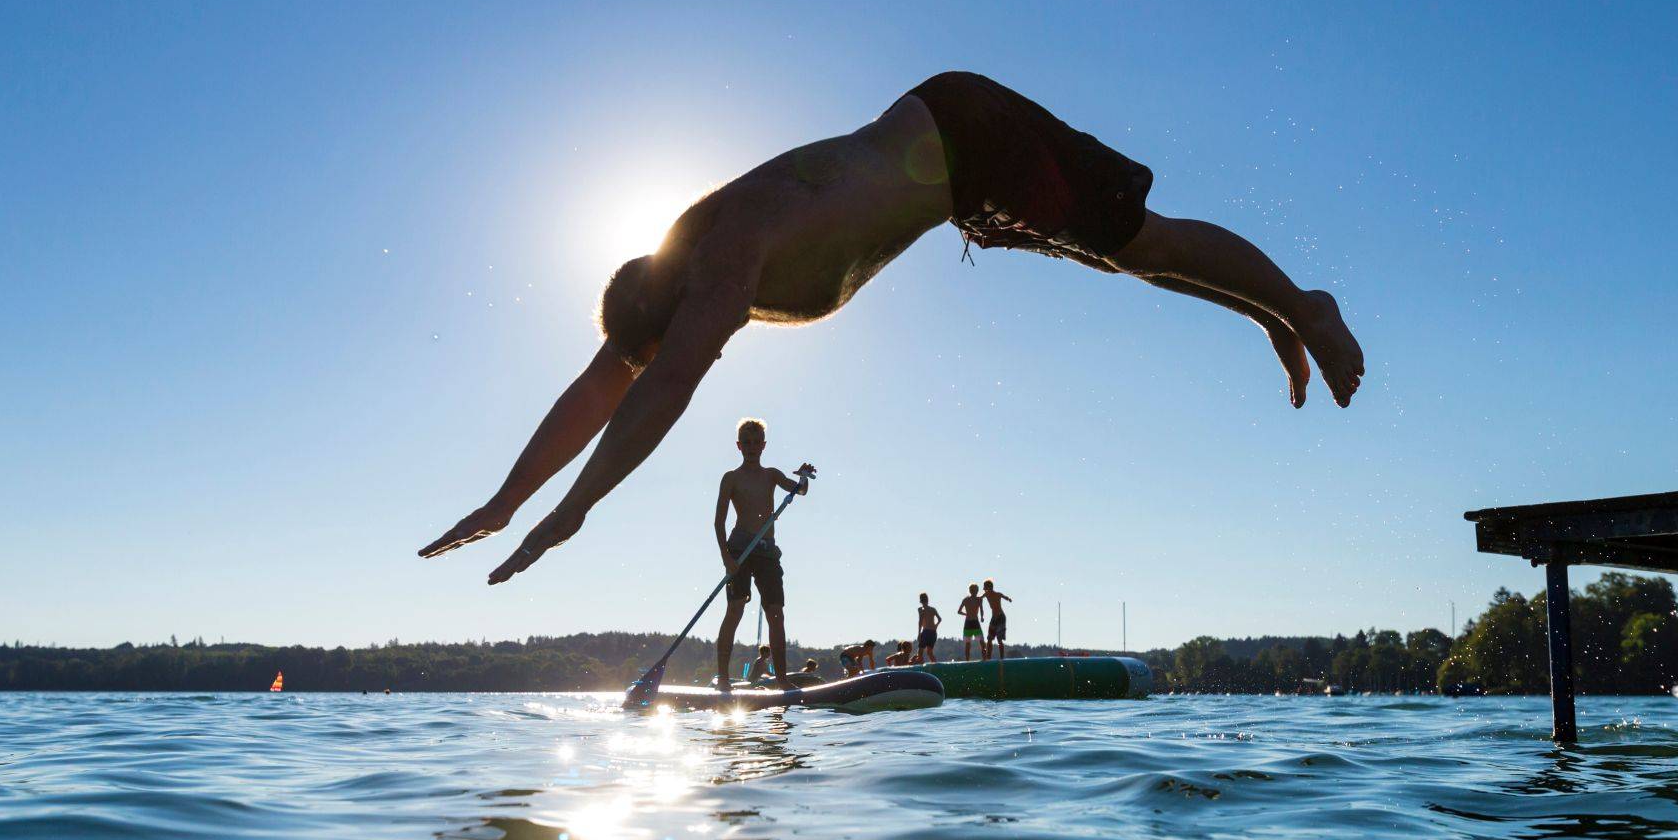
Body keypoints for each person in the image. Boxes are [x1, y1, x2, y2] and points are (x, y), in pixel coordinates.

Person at [419, 72, 1364, 581]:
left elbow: (660, 388)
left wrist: (574, 510)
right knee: (1135, 257)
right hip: (957, 176)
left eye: (664, 348)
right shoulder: (675, 278)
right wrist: (509, 500)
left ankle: (1300, 305)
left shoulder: (715, 261)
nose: (673, 358)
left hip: (965, 141)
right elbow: (607, 385)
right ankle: (1275, 312)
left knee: (1142, 244)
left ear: (666, 313)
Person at [709, 419, 813, 690]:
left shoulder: (771, 475)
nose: (752, 447)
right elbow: (718, 522)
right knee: (735, 609)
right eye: (747, 442)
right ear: (739, 445)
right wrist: (726, 558)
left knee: (776, 613)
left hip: (766, 552)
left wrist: (803, 477)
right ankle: (722, 679)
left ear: (763, 445)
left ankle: (781, 680)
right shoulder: (731, 478)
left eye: (757, 442)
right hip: (739, 550)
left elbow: (799, 491)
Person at [983, 579, 1015, 660]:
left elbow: (1004, 597)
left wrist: (1009, 599)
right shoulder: (986, 594)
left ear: (990, 588)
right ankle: (988, 657)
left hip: (1001, 617)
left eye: (986, 588)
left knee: (999, 639)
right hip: (994, 618)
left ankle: (1002, 658)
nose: (985, 590)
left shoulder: (998, 594)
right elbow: (979, 598)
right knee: (989, 639)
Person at [958, 583, 986, 661]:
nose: (974, 591)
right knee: (977, 643)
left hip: (970, 622)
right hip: (973, 622)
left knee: (977, 643)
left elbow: (959, 611)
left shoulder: (974, 599)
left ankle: (982, 659)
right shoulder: (977, 599)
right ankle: (969, 660)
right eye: (974, 590)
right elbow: (959, 611)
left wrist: (981, 617)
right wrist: (981, 617)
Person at [915, 592, 942, 663]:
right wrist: (935, 626)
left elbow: (920, 621)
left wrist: (918, 633)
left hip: (926, 631)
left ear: (920, 600)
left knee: (920, 652)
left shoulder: (921, 609)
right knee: (929, 652)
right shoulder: (933, 609)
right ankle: (935, 665)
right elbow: (939, 619)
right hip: (933, 632)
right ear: (927, 599)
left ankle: (920, 669)